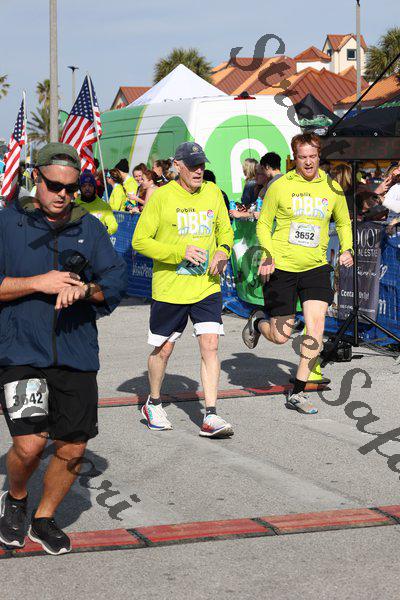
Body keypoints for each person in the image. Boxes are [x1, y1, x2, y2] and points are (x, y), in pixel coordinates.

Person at [0, 142, 126, 555]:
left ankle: (44, 517)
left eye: (71, 188)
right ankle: (16, 498)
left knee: (72, 448)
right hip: (20, 351)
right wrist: (39, 283)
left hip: (76, 353)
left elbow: (116, 279)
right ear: (36, 178)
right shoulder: (8, 223)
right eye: (54, 185)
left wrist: (86, 290)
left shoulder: (89, 227)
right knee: (30, 445)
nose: (63, 195)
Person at [242, 133, 353, 414]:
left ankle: (298, 392)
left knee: (316, 327)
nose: (308, 162)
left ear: (319, 156)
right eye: (303, 157)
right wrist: (267, 253)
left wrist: (347, 248)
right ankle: (257, 322)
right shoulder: (280, 186)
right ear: (295, 158)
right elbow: (263, 223)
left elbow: (343, 222)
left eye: (312, 156)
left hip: (316, 267)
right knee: (280, 335)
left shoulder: (331, 187)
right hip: (282, 267)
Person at [132, 142, 234, 438]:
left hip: (206, 285)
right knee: (164, 349)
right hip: (171, 289)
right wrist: (180, 252)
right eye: (192, 165)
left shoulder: (213, 192)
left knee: (210, 345)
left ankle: (211, 415)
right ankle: (153, 403)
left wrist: (223, 251)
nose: (198, 170)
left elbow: (225, 230)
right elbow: (140, 241)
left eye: (201, 164)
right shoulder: (162, 197)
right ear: (177, 166)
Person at [75, 170, 118, 235]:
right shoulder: (74, 205)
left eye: (90, 185)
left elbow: (113, 226)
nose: (87, 188)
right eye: (84, 186)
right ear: (80, 188)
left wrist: (103, 232)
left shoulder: (104, 206)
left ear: (94, 187)